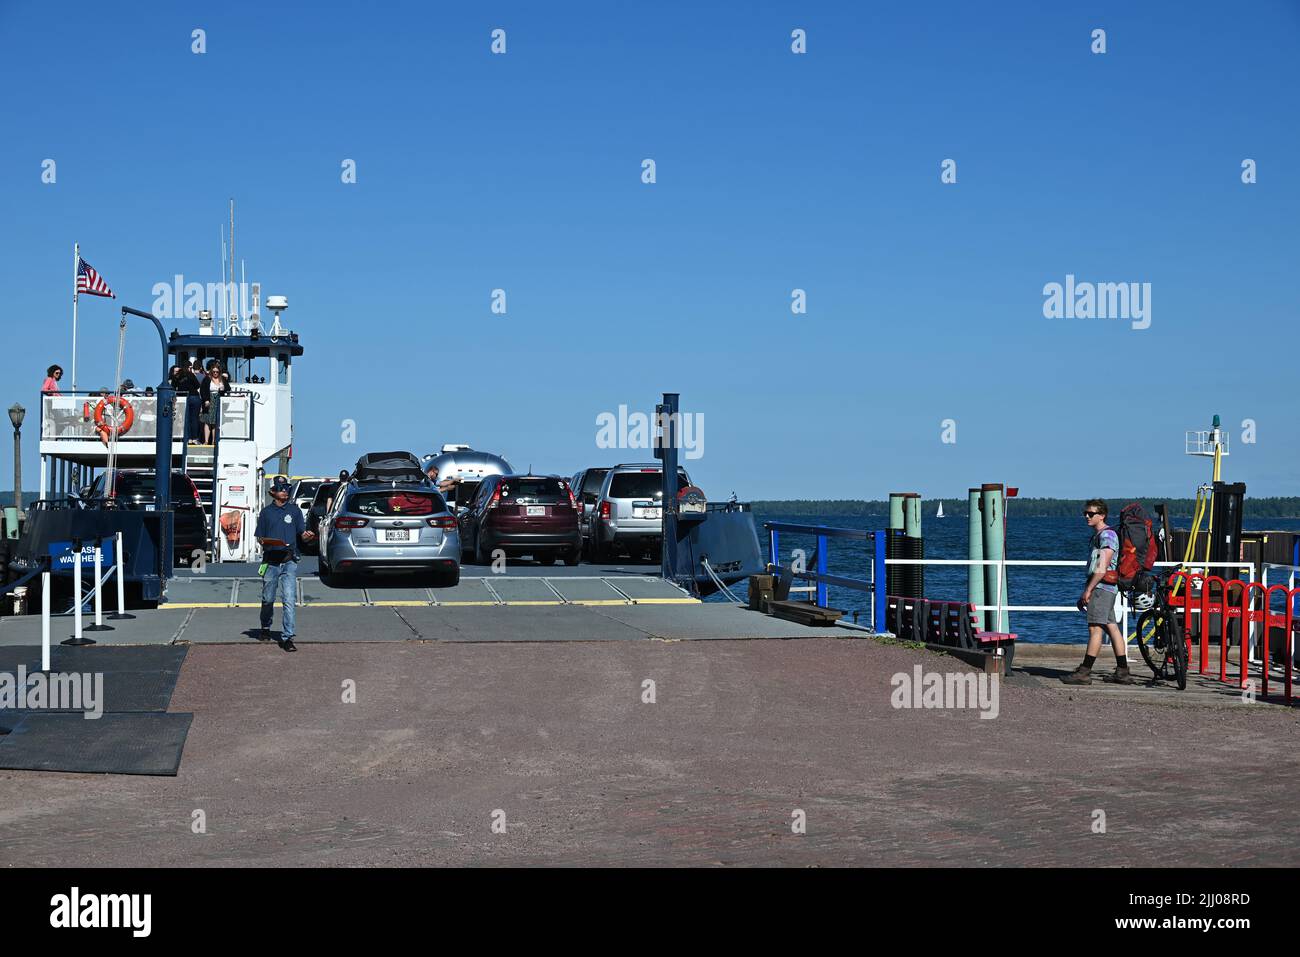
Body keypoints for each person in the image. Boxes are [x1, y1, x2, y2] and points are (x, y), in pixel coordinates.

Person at [1061, 499, 1134, 685]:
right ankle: (1123, 671)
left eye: (1091, 513)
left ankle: (1084, 672)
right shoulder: (1102, 535)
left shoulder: (1107, 536)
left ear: (1102, 515)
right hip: (1107, 588)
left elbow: (1102, 568)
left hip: (1102, 588)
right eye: (1085, 513)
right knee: (1112, 626)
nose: (1087, 516)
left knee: (1095, 629)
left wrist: (1088, 590)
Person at [255, 476, 314, 652]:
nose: (285, 491)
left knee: (289, 600)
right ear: (273, 492)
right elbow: (260, 538)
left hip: (289, 561)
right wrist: (267, 542)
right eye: (281, 489)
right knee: (268, 599)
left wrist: (307, 537)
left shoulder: (295, 511)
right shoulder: (266, 513)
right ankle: (265, 626)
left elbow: (301, 534)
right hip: (271, 562)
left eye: (287, 488)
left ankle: (287, 637)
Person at [198, 361, 230, 444]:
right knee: (207, 421)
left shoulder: (222, 379)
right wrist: (206, 400)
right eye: (214, 372)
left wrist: (223, 388)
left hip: (218, 401)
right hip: (209, 400)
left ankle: (213, 441)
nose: (215, 373)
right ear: (211, 371)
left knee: (215, 422)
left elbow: (228, 388)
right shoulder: (207, 379)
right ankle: (206, 441)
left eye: (217, 372)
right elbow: (203, 390)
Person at [169, 363, 202, 443]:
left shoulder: (175, 378)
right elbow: (197, 385)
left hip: (184, 398)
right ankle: (195, 438)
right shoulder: (190, 374)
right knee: (194, 418)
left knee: (186, 419)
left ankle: (189, 438)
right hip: (194, 397)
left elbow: (174, 389)